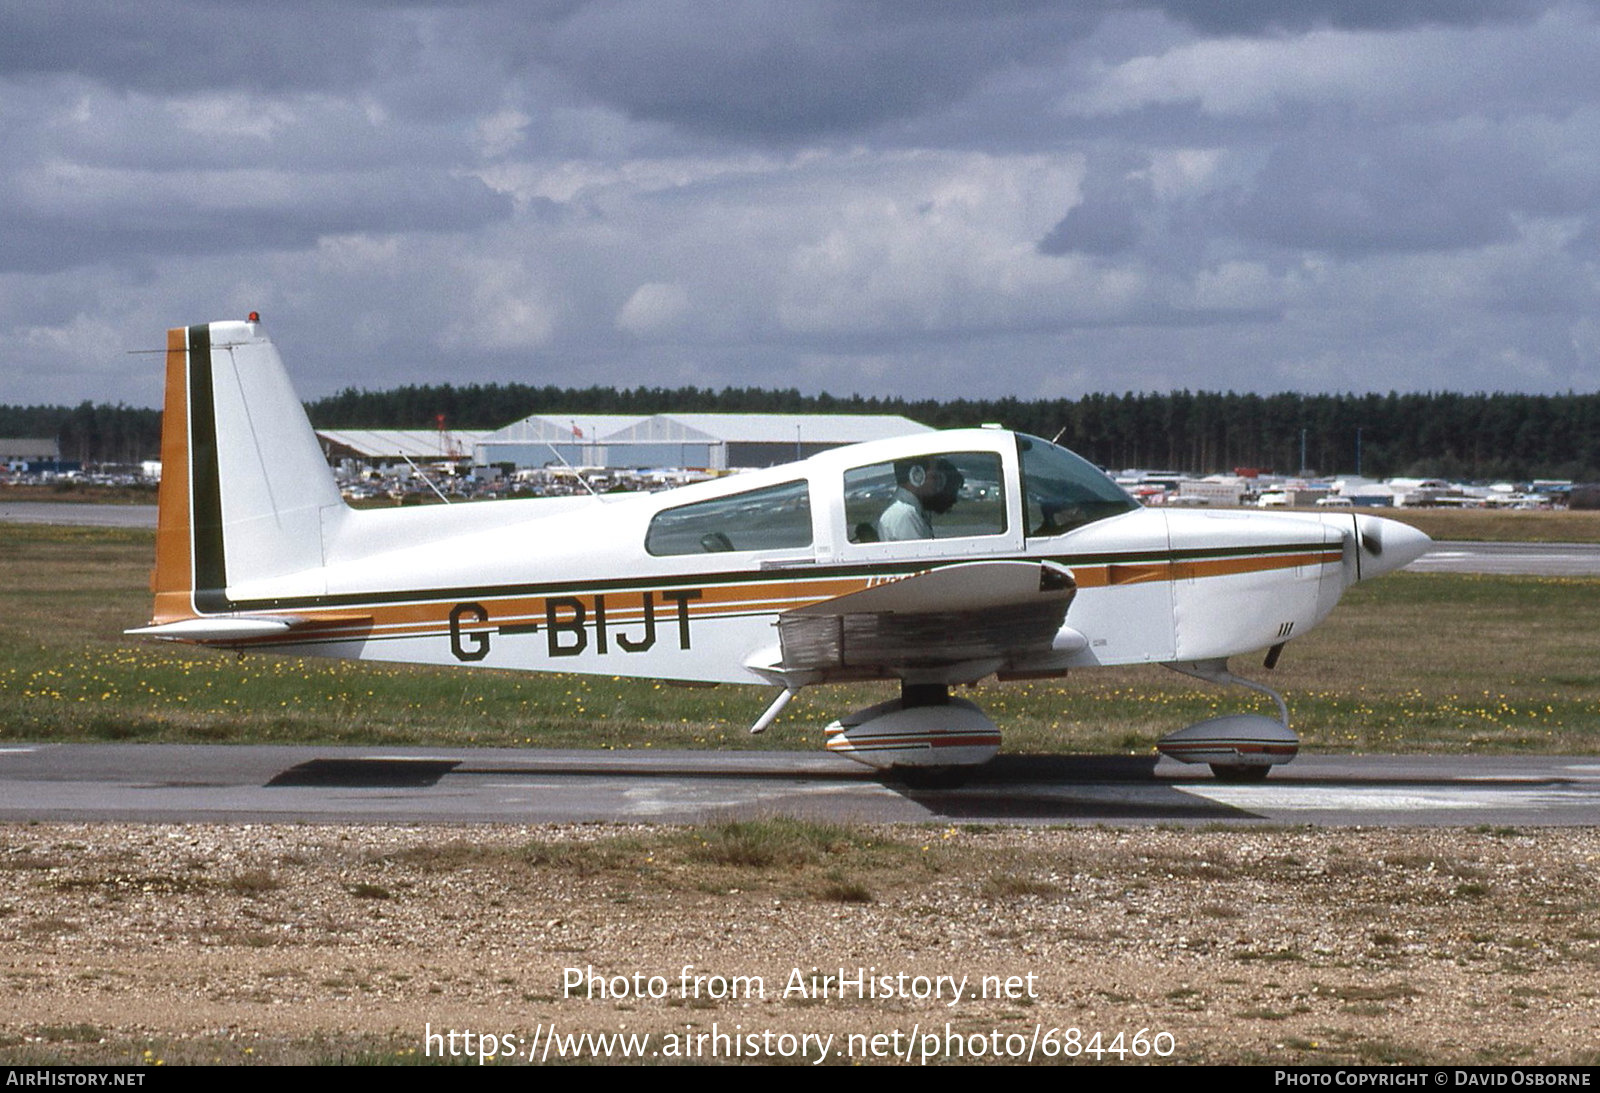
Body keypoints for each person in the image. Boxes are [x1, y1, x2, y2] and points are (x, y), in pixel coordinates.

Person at [877, 457, 962, 541]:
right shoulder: (905, 515)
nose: (937, 486)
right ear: (917, 476)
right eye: (935, 477)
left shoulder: (911, 512)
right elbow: (921, 553)